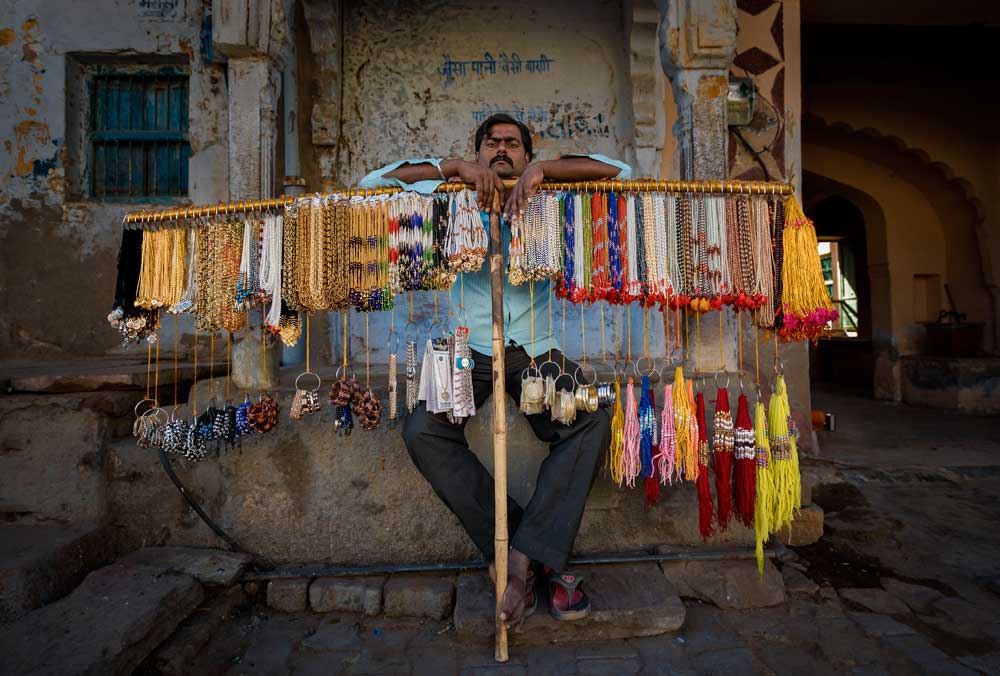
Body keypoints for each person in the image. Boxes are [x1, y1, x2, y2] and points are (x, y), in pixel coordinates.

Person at [359, 114, 632, 630]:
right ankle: (516, 545)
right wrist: (454, 169)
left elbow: (619, 171)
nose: (501, 150)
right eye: (490, 144)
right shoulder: (450, 195)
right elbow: (373, 184)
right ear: (478, 153)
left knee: (595, 415)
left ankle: (524, 560)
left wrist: (546, 171)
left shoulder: (548, 196)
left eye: (512, 145)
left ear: (526, 156)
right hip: (470, 351)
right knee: (422, 430)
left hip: (535, 349)